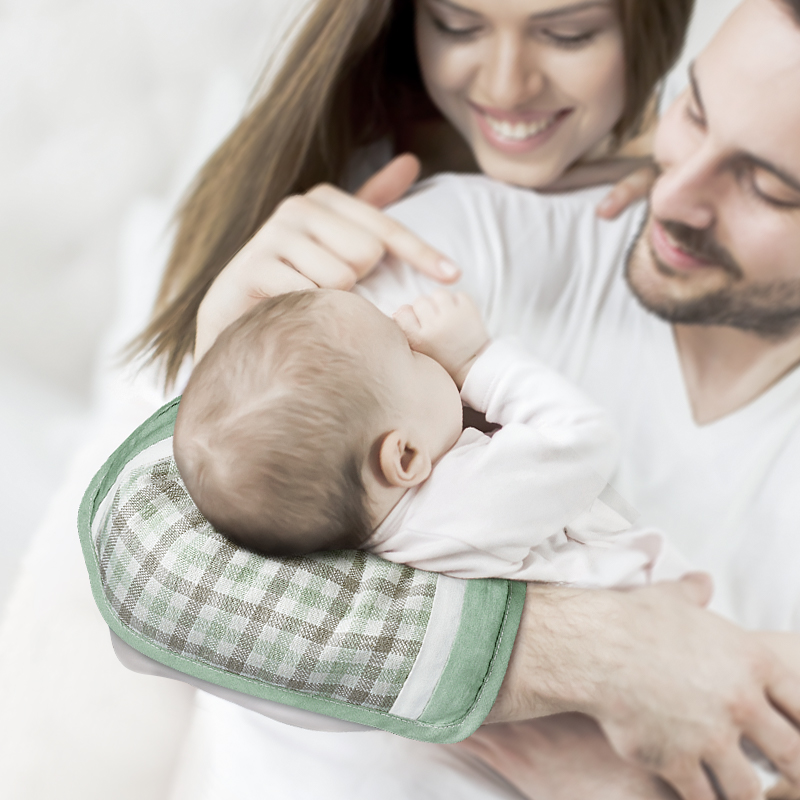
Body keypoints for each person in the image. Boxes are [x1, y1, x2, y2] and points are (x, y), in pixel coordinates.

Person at [159, 1, 800, 799]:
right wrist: (599, 658)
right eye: (693, 112)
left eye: (770, 187)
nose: (672, 199)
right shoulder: (456, 250)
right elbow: (171, 582)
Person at [134, 0, 693, 387]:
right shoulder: (313, 165)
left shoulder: (690, 186)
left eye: (566, 34)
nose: (505, 85)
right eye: (456, 25)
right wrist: (220, 356)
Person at [174, 287, 682, 585]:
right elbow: (586, 437)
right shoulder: (463, 504)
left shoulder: (393, 522)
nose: (420, 342)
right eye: (409, 351)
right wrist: (475, 359)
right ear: (405, 454)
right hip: (652, 600)